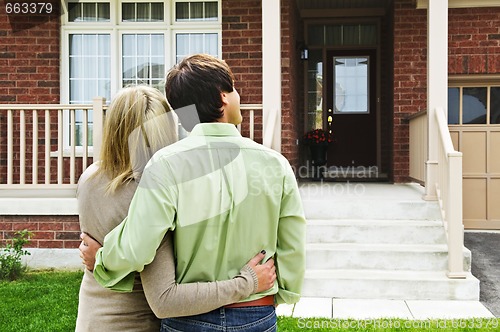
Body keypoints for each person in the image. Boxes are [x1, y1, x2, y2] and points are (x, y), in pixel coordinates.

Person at [90, 54, 306, 332]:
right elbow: (292, 243)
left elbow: (137, 246)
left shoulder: (165, 164)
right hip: (255, 311)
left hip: (188, 319)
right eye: (235, 89)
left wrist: (103, 260)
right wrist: (282, 293)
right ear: (223, 97)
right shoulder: (275, 164)